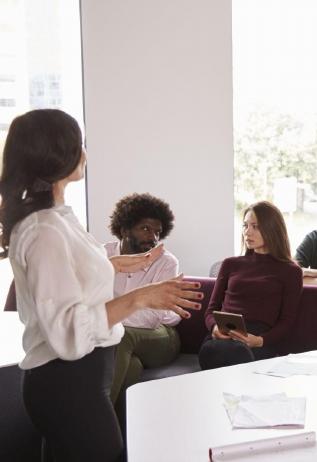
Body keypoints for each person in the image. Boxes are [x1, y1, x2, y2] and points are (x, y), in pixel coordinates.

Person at [0, 109, 201, 461]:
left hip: (73, 381)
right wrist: (141, 297)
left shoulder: (56, 219)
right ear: (57, 154)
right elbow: (68, 330)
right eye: (80, 144)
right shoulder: (45, 230)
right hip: (69, 383)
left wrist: (112, 266)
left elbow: (67, 279)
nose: (85, 153)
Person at [199, 201, 303, 370]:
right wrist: (215, 327)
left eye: (255, 226)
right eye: (245, 226)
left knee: (237, 353)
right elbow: (211, 310)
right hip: (224, 335)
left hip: (259, 339)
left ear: (272, 229)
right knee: (220, 350)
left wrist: (260, 340)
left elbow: (287, 321)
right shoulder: (230, 264)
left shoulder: (290, 271)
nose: (247, 232)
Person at [104, 193, 182, 407]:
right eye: (145, 229)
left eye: (158, 232)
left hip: (162, 336)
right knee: (132, 367)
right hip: (118, 340)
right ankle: (114, 431)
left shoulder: (167, 263)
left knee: (121, 334)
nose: (153, 238)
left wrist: (111, 314)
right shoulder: (103, 256)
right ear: (124, 229)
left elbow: (152, 318)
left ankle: (93, 417)